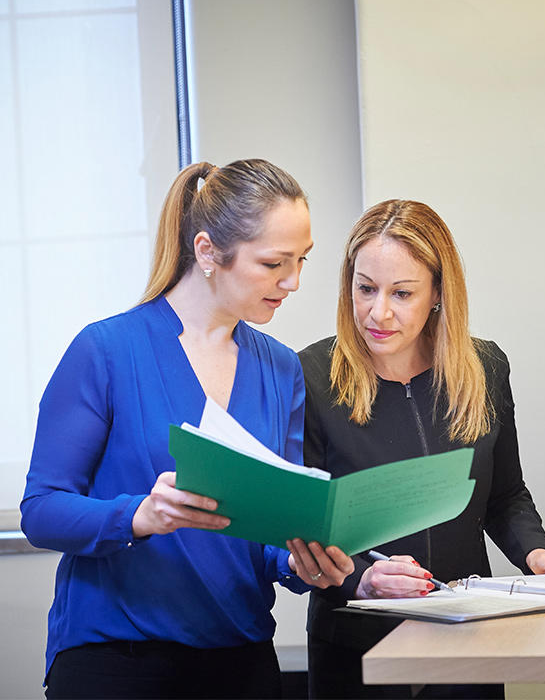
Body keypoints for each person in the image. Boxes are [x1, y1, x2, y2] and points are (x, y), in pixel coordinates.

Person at [21, 159, 354, 700]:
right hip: (115, 664)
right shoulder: (105, 351)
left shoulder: (281, 369)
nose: (292, 282)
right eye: (274, 263)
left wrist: (301, 561)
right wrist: (138, 515)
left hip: (241, 663)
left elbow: (268, 528)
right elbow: (40, 510)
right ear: (206, 252)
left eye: (301, 261)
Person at [299, 199, 545, 699]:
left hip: (465, 640)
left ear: (438, 292)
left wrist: (536, 553)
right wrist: (361, 577)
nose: (378, 312)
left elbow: (505, 494)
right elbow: (302, 518)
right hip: (357, 649)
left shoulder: (484, 368)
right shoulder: (312, 375)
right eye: (365, 289)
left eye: (402, 293)